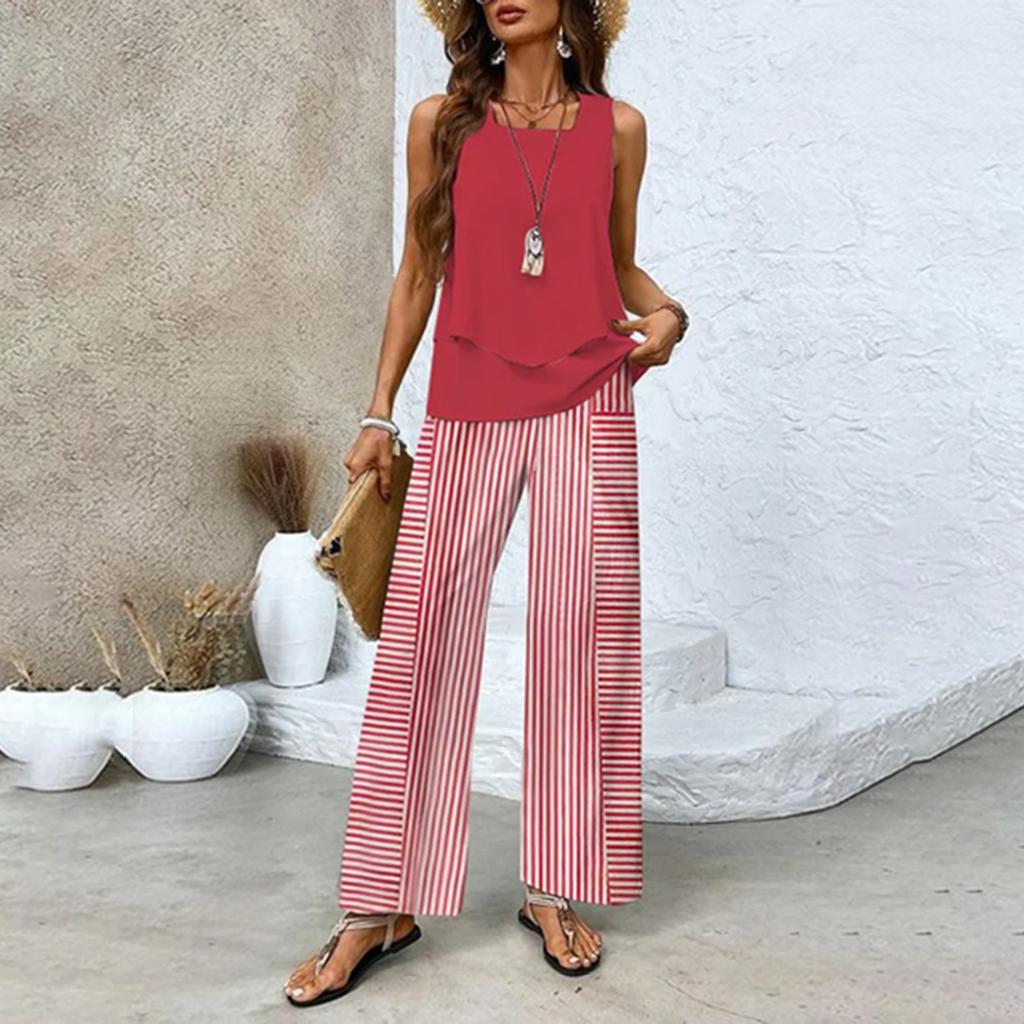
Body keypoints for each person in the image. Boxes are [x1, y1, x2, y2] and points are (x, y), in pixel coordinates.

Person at [284, 0, 689, 1007]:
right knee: (421, 641)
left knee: (579, 639)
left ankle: (553, 886)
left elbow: (616, 263)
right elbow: (418, 270)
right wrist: (378, 410)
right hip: (468, 400)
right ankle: (378, 903)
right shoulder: (442, 122)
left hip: (589, 400)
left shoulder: (618, 128)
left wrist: (665, 311)